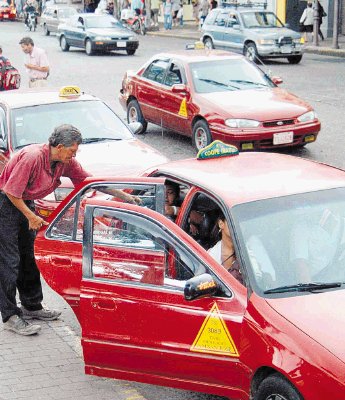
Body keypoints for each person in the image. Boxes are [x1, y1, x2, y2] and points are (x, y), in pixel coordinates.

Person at [0, 124, 139, 336]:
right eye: (72, 150)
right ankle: (10, 315)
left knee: (29, 257)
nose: (74, 155)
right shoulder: (32, 157)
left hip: (25, 202)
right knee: (10, 261)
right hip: (7, 203)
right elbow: (11, 192)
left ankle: (32, 305)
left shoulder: (65, 162)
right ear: (59, 147)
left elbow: (88, 181)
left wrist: (125, 196)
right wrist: (30, 216)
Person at [208, 212, 243, 284]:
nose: (237, 225)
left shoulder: (252, 249)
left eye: (240, 221)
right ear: (221, 224)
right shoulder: (211, 256)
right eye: (233, 221)